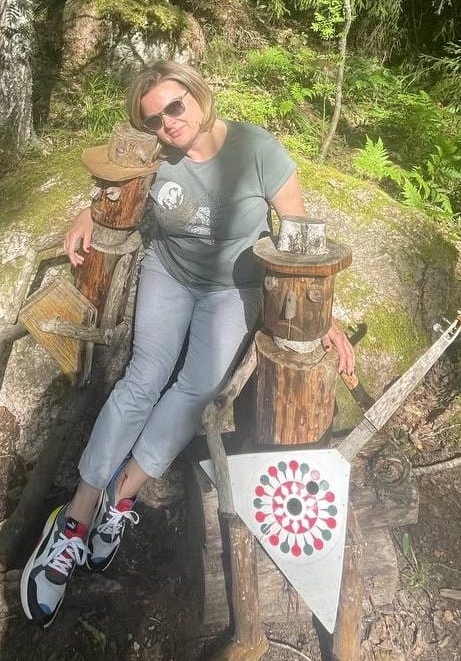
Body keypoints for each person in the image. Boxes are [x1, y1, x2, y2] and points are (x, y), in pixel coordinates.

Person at [20, 60, 355, 627]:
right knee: (144, 377)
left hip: (234, 287)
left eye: (174, 107)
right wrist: (85, 215)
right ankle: (74, 519)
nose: (167, 123)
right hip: (170, 273)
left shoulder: (256, 148)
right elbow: (118, 185)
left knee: (197, 387)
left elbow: (296, 232)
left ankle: (121, 494)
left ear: (199, 95)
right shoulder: (158, 153)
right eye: (153, 118)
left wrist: (323, 316)